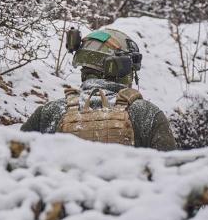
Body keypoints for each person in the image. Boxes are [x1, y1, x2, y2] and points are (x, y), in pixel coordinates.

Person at [20, 28, 176, 151]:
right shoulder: (147, 114)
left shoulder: (49, 112)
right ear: (121, 68)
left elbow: (14, 167)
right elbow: (168, 177)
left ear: (83, 69)